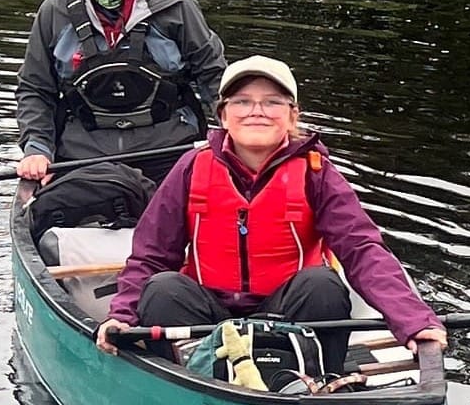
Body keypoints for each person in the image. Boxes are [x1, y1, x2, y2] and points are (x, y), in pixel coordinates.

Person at [95, 56, 446, 376]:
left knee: (322, 285)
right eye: (243, 102)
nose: (256, 111)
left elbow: (362, 249)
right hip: (208, 314)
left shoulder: (316, 172)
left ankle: (321, 382)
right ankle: (187, 383)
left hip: (285, 314)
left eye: (272, 102)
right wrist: (122, 314)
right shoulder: (191, 167)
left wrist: (412, 320)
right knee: (162, 290)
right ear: (223, 115)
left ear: (293, 115)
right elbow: (151, 254)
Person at [16, 0, 227, 185]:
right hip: (81, 157)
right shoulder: (55, 11)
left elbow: (214, 77)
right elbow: (35, 88)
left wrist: (235, 134)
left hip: (171, 156)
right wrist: (37, 149)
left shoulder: (177, 6)